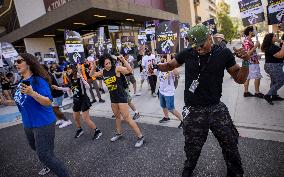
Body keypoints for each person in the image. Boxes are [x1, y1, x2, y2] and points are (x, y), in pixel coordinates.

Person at [154, 24, 249, 176]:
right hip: (193, 109)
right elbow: (170, 65)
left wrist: (246, 61)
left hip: (215, 107)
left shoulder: (223, 53)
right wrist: (156, 66)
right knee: (192, 146)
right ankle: (189, 167)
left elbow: (239, 79)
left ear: (209, 38)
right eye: (195, 45)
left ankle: (235, 172)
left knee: (230, 143)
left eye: (201, 44)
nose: (199, 48)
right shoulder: (188, 53)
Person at [13, 53, 70, 177]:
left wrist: (32, 93)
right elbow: (21, 100)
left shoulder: (38, 81)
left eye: (19, 61)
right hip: (28, 124)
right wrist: (5, 101)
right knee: (36, 149)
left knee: (45, 154)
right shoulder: (20, 83)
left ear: (28, 62)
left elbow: (48, 102)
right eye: (15, 62)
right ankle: (47, 164)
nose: (16, 64)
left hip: (43, 123)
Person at [90, 53, 144, 148]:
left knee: (127, 118)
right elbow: (91, 74)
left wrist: (123, 60)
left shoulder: (116, 69)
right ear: (103, 64)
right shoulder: (103, 72)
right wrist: (93, 66)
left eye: (109, 62)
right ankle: (119, 133)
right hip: (113, 98)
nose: (109, 65)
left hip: (121, 97)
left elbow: (129, 70)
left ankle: (140, 136)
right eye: (106, 64)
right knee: (117, 117)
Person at [53, 64, 102, 140]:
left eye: (69, 69)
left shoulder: (79, 77)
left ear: (73, 69)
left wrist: (82, 79)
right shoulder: (69, 78)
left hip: (83, 99)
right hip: (76, 100)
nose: (68, 70)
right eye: (67, 69)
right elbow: (68, 89)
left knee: (86, 119)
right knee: (75, 117)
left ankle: (97, 131)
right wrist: (58, 88)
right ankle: (80, 129)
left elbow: (88, 87)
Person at [157, 56, 183, 128]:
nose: (162, 66)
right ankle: (166, 117)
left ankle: (183, 121)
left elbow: (177, 74)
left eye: (164, 64)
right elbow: (151, 72)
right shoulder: (159, 69)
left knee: (171, 108)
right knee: (163, 105)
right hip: (161, 91)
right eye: (161, 64)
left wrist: (170, 65)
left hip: (169, 92)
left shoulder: (171, 70)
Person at [261, 33, 284, 105]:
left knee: (274, 81)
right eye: (274, 36)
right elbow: (280, 55)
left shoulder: (272, 46)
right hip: (273, 66)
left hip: (273, 66)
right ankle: (268, 95)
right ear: (270, 38)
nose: (276, 36)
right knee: (281, 81)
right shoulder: (270, 47)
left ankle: (274, 96)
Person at [242, 26, 264, 98]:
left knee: (247, 77)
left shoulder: (249, 40)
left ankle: (246, 92)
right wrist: (255, 46)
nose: (256, 32)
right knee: (257, 76)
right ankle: (257, 92)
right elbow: (248, 53)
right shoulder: (247, 41)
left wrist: (256, 54)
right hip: (252, 62)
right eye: (255, 31)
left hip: (250, 61)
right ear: (250, 32)